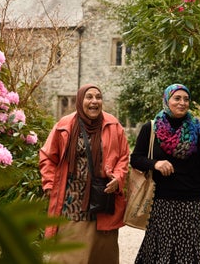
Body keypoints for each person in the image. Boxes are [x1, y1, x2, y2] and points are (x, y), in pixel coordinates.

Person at [130, 83, 200, 264]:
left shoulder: (198, 132)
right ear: (166, 100)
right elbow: (135, 159)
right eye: (177, 98)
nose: (182, 103)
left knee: (188, 255)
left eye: (186, 99)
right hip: (161, 202)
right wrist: (155, 164)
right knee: (159, 253)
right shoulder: (151, 129)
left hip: (192, 204)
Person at [39, 84, 129, 264]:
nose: (94, 101)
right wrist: (49, 184)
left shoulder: (113, 125)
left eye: (98, 97)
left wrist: (118, 178)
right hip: (71, 202)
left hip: (102, 201)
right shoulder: (65, 125)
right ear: (80, 100)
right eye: (89, 97)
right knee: (69, 255)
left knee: (101, 255)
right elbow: (47, 156)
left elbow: (123, 158)